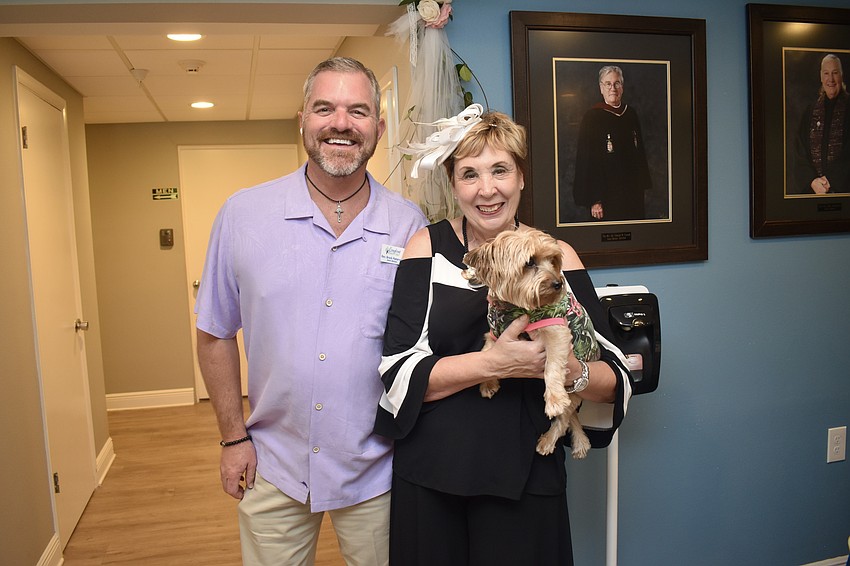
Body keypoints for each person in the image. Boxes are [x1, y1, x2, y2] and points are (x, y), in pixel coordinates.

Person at [374, 104, 633, 565]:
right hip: (433, 475)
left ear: (521, 178)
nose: (487, 190)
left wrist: (567, 371)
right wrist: (493, 365)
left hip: (527, 475)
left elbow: (615, 376)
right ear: (453, 184)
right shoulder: (426, 248)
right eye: (470, 174)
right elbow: (396, 371)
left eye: (500, 170)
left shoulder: (557, 257)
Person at [194, 56, 427, 566]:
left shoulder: (410, 225)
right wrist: (233, 437)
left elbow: (425, 345)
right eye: (325, 108)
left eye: (358, 111)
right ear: (302, 118)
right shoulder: (244, 215)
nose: (341, 123)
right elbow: (214, 332)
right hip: (272, 464)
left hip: (377, 470)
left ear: (378, 127)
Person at [573, 65, 653, 221]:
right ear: (601, 88)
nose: (613, 88)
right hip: (606, 196)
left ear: (622, 87)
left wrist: (642, 187)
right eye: (608, 84)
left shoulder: (631, 114)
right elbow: (586, 162)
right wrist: (595, 200)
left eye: (617, 83)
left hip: (633, 193)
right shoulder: (592, 118)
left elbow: (640, 154)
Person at [792, 53, 850, 195]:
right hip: (814, 192)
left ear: (841, 75)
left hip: (844, 193)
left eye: (835, 73)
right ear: (821, 76)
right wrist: (812, 181)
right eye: (826, 73)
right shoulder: (810, 111)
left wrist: (830, 181)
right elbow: (799, 151)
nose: (830, 79)